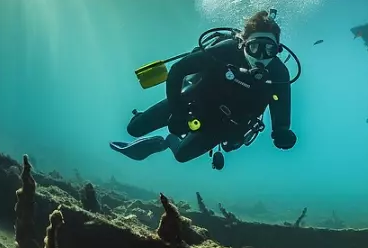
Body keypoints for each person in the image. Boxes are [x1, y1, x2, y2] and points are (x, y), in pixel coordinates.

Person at [109, 11, 297, 165]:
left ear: (278, 50)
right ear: (243, 43)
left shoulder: (278, 73)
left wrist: (281, 130)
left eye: (270, 50)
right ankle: (146, 122)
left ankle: (164, 142)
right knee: (134, 128)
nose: (261, 56)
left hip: (224, 125)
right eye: (255, 47)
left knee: (181, 155)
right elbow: (178, 70)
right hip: (192, 102)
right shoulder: (225, 51)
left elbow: (280, 104)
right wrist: (178, 111)